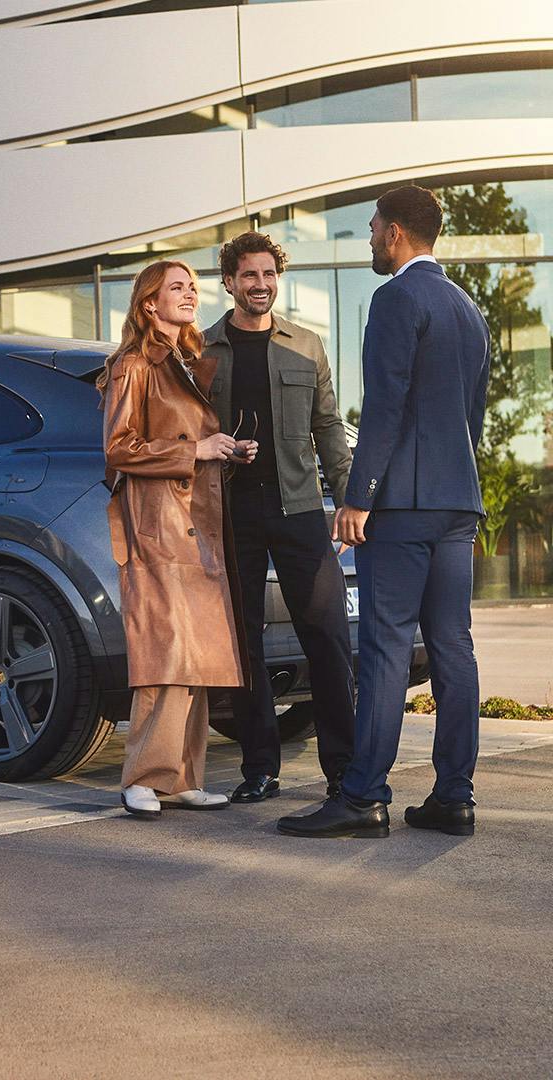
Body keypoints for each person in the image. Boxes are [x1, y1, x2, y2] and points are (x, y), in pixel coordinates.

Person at [278, 185, 490, 839]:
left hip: (399, 506)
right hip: (457, 501)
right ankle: (454, 796)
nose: (369, 238)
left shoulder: (396, 297)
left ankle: (364, 795)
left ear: (396, 233)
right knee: (454, 647)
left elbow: (387, 404)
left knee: (384, 649)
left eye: (372, 228)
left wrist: (358, 496)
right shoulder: (467, 307)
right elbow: (471, 416)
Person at [200, 233, 355, 804]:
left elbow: (329, 429)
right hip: (231, 512)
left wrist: (349, 498)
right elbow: (187, 430)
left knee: (328, 636)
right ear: (230, 281)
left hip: (299, 512)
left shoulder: (307, 346)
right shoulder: (203, 350)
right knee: (245, 644)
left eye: (268, 274)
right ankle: (259, 768)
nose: (260, 285)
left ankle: (343, 768)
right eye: (249, 276)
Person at [101, 260, 258, 819]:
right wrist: (196, 450)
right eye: (177, 287)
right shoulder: (133, 365)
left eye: (193, 286)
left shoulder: (187, 363)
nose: (190, 294)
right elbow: (119, 448)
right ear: (149, 304)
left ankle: (182, 776)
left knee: (196, 653)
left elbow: (193, 439)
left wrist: (226, 449)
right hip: (156, 524)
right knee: (164, 652)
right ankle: (142, 777)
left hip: (197, 521)